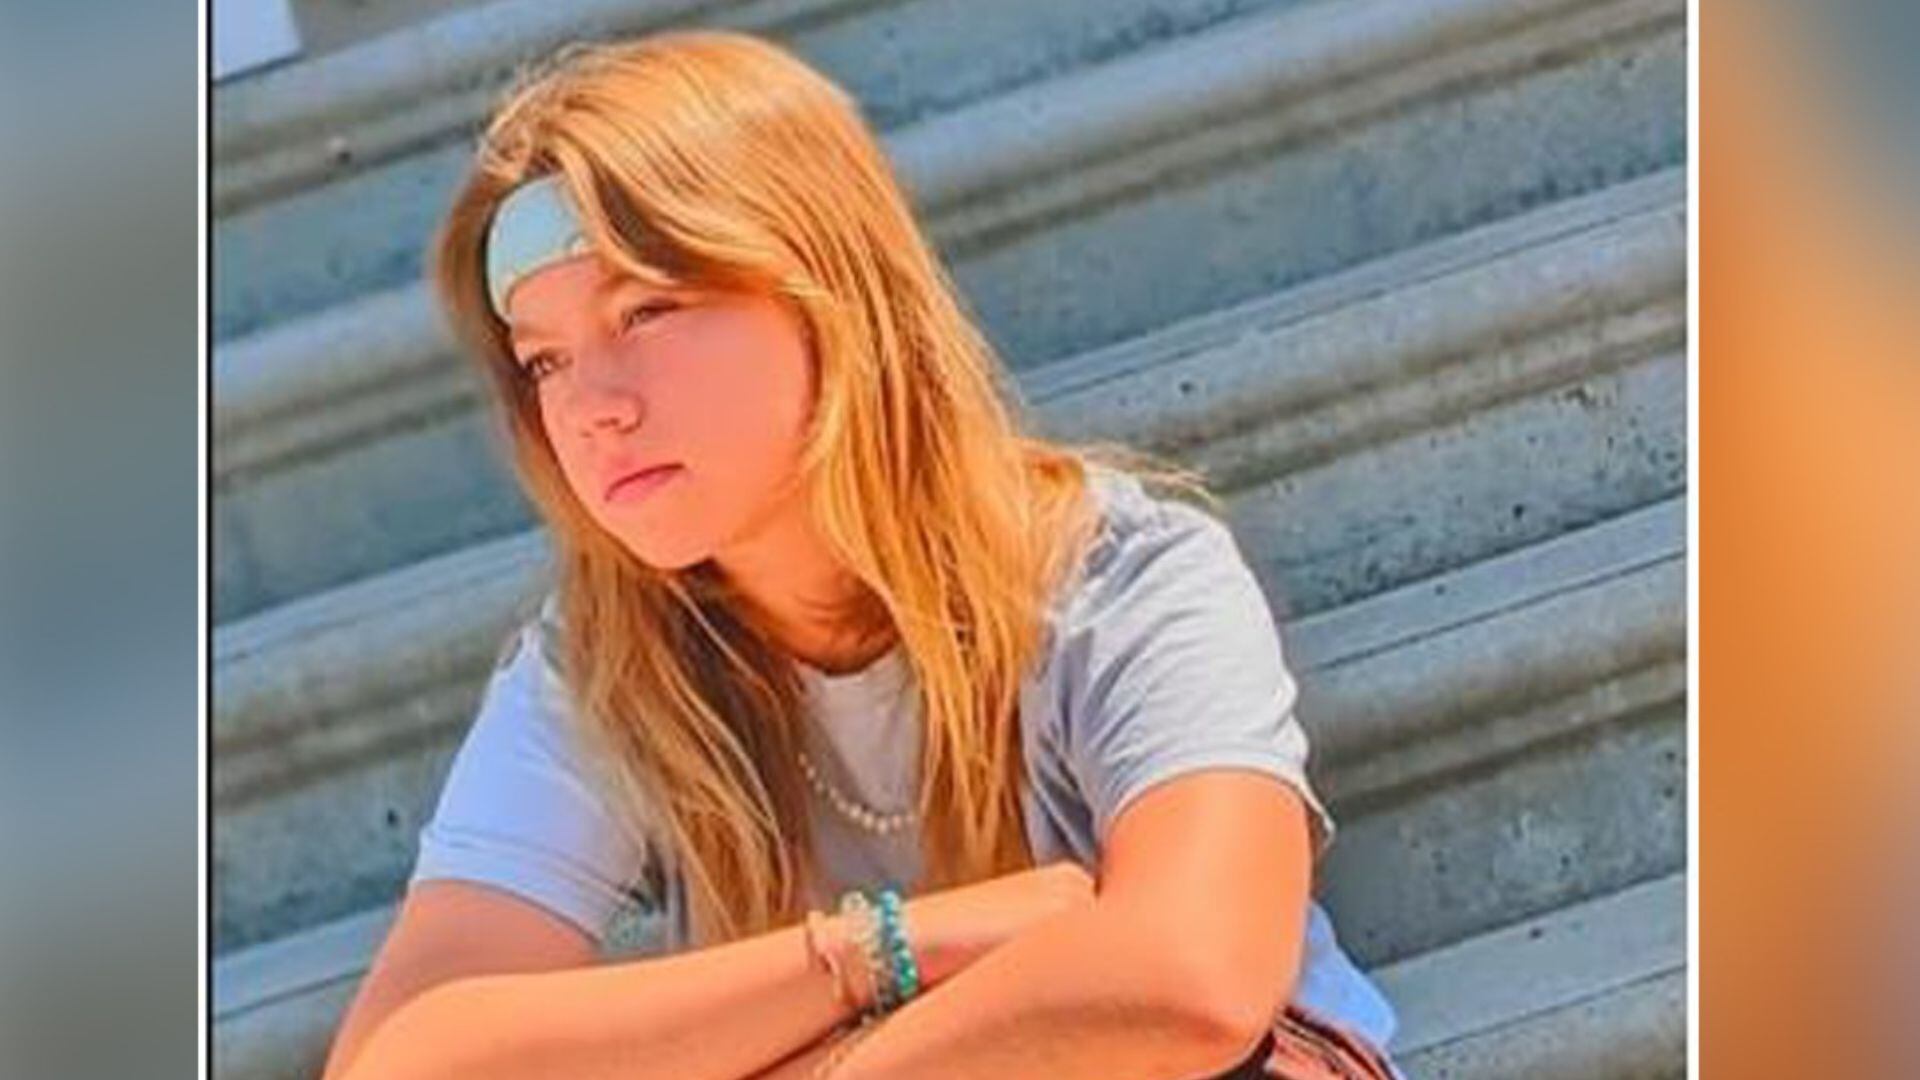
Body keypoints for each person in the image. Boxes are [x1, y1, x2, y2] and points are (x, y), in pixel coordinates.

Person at [322, 29, 1404, 1080]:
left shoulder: (1119, 574)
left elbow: (1193, 980)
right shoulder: (604, 669)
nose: (590, 407)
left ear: (831, 300)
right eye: (544, 362)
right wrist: (869, 952)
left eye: (646, 311)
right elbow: (397, 1062)